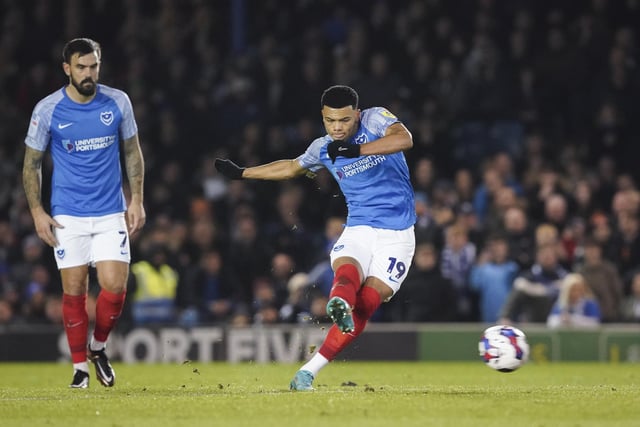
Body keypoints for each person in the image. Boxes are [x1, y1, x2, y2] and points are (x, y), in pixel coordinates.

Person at [215, 85, 416, 391]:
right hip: (360, 226)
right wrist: (243, 173)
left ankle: (308, 369)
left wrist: (356, 150)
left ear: (357, 115)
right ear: (323, 117)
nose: (338, 127)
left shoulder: (376, 120)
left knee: (366, 305)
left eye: (345, 121)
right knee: (348, 269)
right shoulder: (322, 148)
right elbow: (290, 168)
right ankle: (334, 309)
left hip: (398, 235)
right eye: (331, 121)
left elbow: (405, 139)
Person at [22, 38, 145, 388]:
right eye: (81, 67)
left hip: (110, 210)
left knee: (115, 287)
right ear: (67, 69)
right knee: (74, 290)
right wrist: (36, 211)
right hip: (68, 214)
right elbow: (31, 165)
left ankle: (98, 347)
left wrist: (136, 199)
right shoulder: (47, 110)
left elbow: (132, 153)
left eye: (93, 66)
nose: (88, 73)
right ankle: (79, 369)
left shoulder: (118, 102)